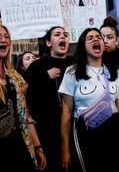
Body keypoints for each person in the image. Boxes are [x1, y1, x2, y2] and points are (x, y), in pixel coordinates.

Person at [59, 28, 119, 172]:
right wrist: (65, 148)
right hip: (87, 134)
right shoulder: (72, 72)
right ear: (83, 46)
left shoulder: (114, 71)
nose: (96, 39)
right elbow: (66, 111)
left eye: (98, 37)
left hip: (114, 131)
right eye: (90, 38)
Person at [25, 26, 73, 172]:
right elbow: (25, 98)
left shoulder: (75, 64)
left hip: (73, 129)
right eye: (57, 34)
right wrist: (45, 77)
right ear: (48, 43)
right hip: (46, 132)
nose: (62, 37)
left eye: (65, 35)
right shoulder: (36, 67)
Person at [0, 24, 47, 172]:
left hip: (18, 145)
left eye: (6, 37)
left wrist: (38, 147)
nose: (4, 40)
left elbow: (24, 115)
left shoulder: (13, 77)